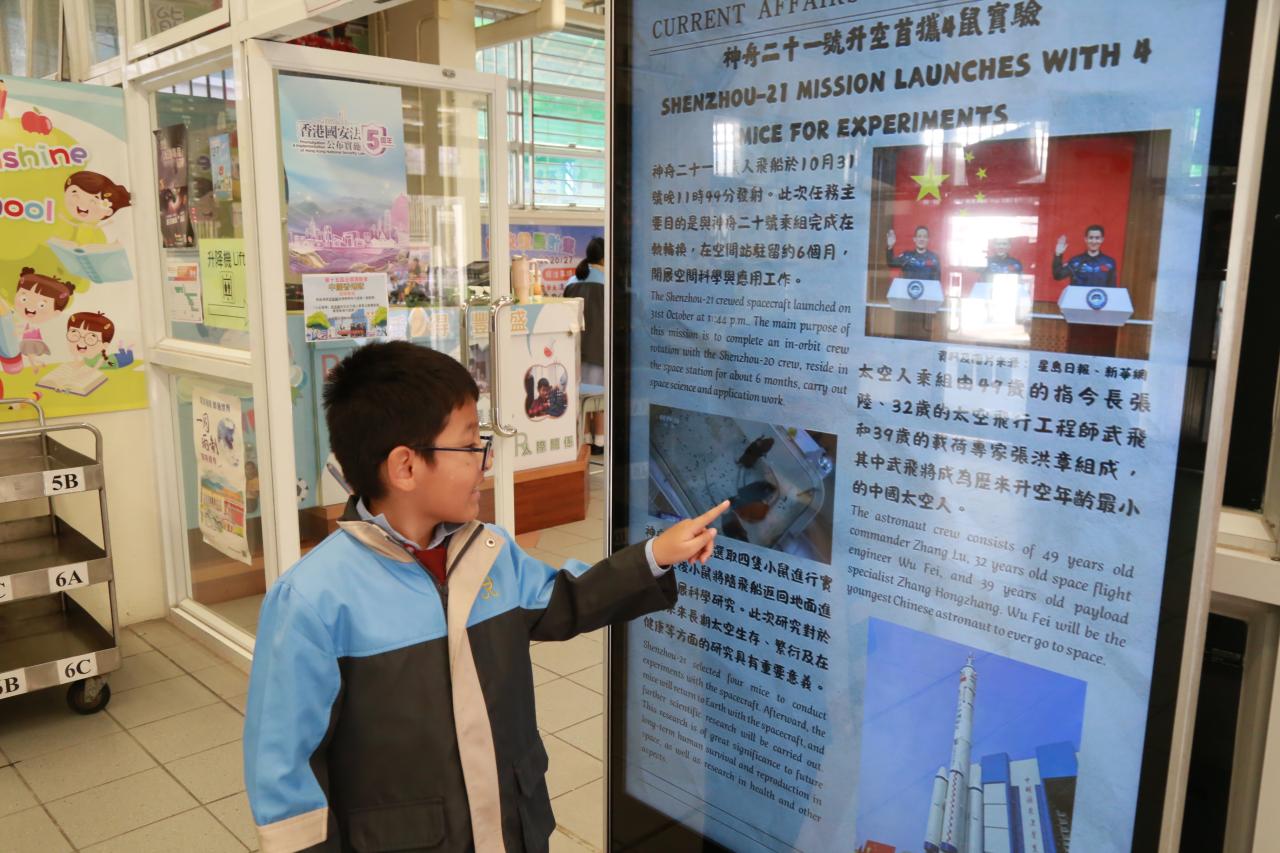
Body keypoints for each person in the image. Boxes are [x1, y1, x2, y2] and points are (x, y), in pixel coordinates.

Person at [243, 341, 726, 853]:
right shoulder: (313, 601)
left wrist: (655, 555)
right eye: (471, 445)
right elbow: (283, 772)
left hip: (511, 829)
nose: (486, 462)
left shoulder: (489, 553)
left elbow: (567, 600)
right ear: (406, 467)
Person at [563, 237, 605, 454]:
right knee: (600, 399)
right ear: (605, 258)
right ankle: (600, 441)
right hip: (600, 350)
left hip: (575, 351)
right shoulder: (608, 283)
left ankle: (585, 438)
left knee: (581, 398)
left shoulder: (571, 282)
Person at [1052, 224, 1118, 287]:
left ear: (1102, 239)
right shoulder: (1076, 261)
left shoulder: (1109, 262)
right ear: (1085, 239)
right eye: (1091, 238)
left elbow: (1112, 289)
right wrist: (1058, 254)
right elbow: (1058, 276)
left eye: (1097, 238)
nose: (1094, 241)